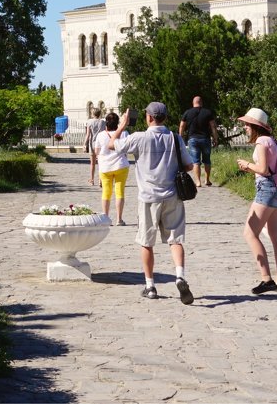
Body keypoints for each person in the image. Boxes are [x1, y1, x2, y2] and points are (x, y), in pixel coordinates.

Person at [107, 102, 195, 304]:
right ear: (165, 117)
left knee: (146, 242)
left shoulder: (139, 137)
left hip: (148, 197)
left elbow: (112, 145)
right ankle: (180, 276)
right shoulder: (174, 137)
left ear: (148, 117)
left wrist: (123, 125)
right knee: (175, 239)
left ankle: (150, 286)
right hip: (172, 195)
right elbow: (189, 165)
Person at [234, 107, 277, 295]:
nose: (245, 128)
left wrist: (246, 165)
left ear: (256, 126)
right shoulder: (271, 140)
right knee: (276, 237)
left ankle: (267, 279)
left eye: (247, 124)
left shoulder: (261, 142)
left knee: (250, 233)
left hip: (266, 190)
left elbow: (263, 169)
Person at [90, 111, 130, 225]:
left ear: (106, 123)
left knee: (106, 193)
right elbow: (127, 149)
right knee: (120, 192)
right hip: (121, 165)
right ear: (118, 123)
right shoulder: (124, 133)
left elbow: (97, 152)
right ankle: (119, 219)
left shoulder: (101, 135)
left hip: (105, 167)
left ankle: (106, 218)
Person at [179, 96, 218, 187]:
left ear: (193, 103)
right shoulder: (208, 112)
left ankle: (198, 182)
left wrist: (181, 137)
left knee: (195, 161)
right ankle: (207, 180)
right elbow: (213, 126)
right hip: (205, 139)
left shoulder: (187, 112)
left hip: (193, 139)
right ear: (201, 103)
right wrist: (215, 138)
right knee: (207, 160)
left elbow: (182, 126)